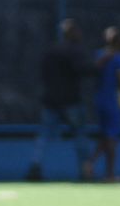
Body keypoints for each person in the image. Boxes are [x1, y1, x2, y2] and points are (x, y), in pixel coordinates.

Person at [27, 18, 94, 182]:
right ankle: (85, 172)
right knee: (80, 136)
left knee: (43, 136)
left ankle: (35, 167)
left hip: (50, 100)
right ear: (71, 33)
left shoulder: (51, 51)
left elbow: (43, 73)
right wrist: (100, 65)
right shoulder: (75, 51)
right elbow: (84, 70)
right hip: (71, 101)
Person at [90, 26, 120, 182]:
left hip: (100, 100)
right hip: (113, 101)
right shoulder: (119, 57)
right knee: (111, 138)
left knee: (105, 136)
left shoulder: (99, 55)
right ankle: (109, 173)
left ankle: (92, 164)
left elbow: (93, 71)